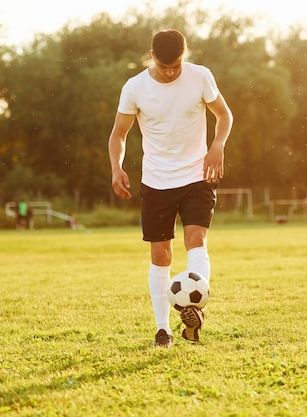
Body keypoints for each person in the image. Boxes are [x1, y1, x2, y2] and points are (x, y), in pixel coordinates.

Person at [108, 29, 233, 348]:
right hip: (156, 180)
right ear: (152, 57)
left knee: (196, 238)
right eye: (164, 66)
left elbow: (224, 115)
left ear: (184, 56)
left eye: (176, 65)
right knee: (160, 253)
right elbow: (119, 135)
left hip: (197, 174)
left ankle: (193, 306)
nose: (171, 71)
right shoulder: (135, 87)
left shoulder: (200, 77)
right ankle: (163, 330)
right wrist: (116, 167)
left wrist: (217, 145)